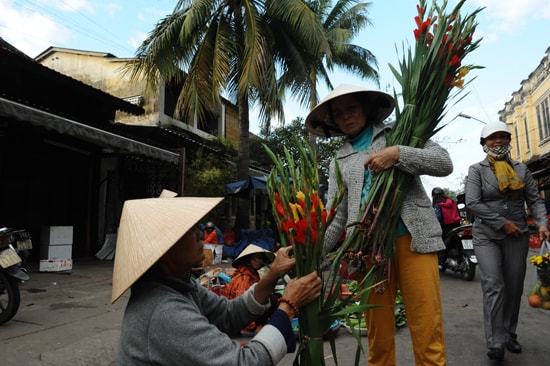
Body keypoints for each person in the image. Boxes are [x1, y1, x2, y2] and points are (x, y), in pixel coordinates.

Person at [305, 84, 453, 366]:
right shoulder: (339, 158)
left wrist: (398, 154)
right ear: (333, 121)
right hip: (367, 251)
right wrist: (311, 254)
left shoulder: (399, 132)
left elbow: (443, 163)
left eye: (352, 108)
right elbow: (336, 215)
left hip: (413, 240)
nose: (346, 116)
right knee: (379, 336)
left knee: (426, 325)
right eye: (339, 113)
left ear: (366, 108)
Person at [112, 196, 322, 366]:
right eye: (189, 231)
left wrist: (273, 273)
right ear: (164, 250)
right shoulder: (164, 311)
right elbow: (244, 363)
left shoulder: (181, 285)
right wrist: (288, 305)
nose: (200, 235)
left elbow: (227, 314)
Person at [465, 121, 550, 361]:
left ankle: (509, 334)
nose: (499, 141)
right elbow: (473, 202)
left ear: (509, 141)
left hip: (518, 234)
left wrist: (542, 223)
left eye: (503, 136)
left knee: (514, 288)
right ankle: (495, 342)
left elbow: (534, 200)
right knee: (494, 285)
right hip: (486, 235)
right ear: (484, 143)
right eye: (493, 138)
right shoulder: (476, 170)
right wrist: (502, 223)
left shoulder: (522, 169)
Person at [225, 244, 277, 336]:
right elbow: (241, 307)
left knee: (274, 297)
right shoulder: (243, 279)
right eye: (255, 258)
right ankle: (247, 328)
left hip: (249, 311)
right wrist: (252, 327)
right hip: (239, 320)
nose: (258, 261)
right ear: (248, 260)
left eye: (260, 258)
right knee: (273, 301)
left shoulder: (253, 274)